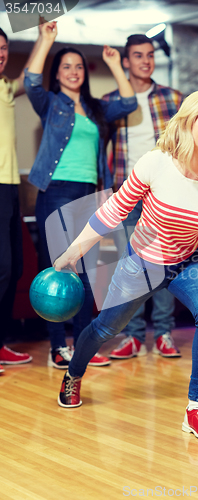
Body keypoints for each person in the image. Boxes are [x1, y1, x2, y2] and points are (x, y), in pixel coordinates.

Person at [54, 89, 198, 441]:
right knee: (104, 329)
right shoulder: (156, 163)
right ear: (189, 122)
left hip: (189, 262)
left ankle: (196, 409)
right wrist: (72, 253)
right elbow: (114, 210)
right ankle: (74, 373)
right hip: (141, 263)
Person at [24, 21, 137, 369]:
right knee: (57, 271)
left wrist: (116, 64)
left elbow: (129, 101)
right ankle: (59, 348)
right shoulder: (50, 103)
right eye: (65, 67)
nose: (73, 72)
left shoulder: (96, 109)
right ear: (56, 75)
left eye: (77, 67)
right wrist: (46, 40)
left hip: (93, 196)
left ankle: (84, 346)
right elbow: (30, 81)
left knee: (89, 275)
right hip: (56, 192)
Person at [103, 34, 183, 360]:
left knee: (162, 264)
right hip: (126, 191)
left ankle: (163, 333)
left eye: (150, 55)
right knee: (130, 267)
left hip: (163, 192)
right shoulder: (111, 101)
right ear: (126, 61)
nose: (145, 61)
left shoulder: (173, 98)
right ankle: (133, 336)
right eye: (138, 55)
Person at [0, 25, 44, 373]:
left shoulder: (4, 88)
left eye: (3, 47)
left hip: (10, 187)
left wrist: (44, 38)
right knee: (1, 268)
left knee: (13, 269)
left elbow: (27, 76)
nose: (1, 53)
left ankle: (2, 343)